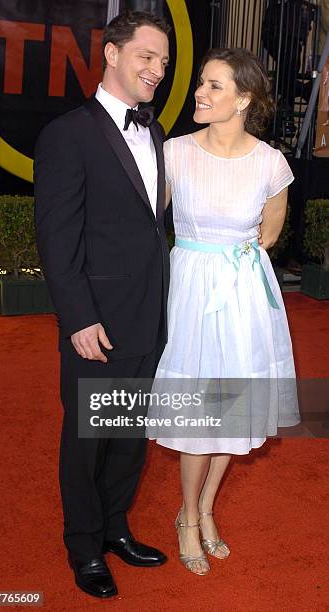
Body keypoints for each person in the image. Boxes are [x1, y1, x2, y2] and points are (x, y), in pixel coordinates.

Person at [147, 48, 300, 576]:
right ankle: (187, 516)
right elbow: (148, 223)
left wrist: (234, 268)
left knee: (231, 411)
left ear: (244, 99)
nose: (200, 93)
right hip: (189, 293)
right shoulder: (174, 153)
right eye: (201, 84)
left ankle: (205, 508)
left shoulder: (271, 163)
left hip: (241, 297)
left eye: (214, 86)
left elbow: (270, 235)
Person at [34, 11, 170, 599]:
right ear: (111, 54)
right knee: (88, 438)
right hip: (98, 321)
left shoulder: (156, 132)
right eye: (145, 56)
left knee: (129, 434)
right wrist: (78, 316)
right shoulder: (68, 134)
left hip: (149, 315)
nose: (156, 70)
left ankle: (116, 527)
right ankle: (84, 546)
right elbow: (57, 237)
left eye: (163, 61)